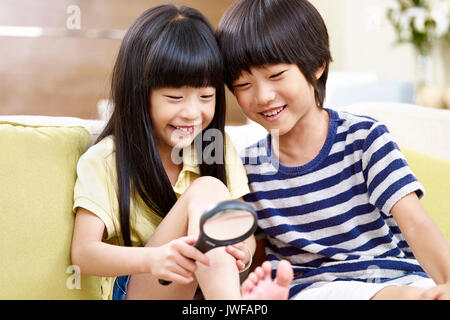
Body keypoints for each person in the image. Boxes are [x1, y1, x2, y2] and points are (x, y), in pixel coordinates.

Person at [216, 0, 450, 300]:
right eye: (243, 84)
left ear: (316, 65)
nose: (263, 96)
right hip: (311, 289)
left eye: (276, 76)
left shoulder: (364, 138)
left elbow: (416, 225)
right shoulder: (246, 168)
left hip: (393, 278)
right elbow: (260, 265)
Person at [71, 4, 293, 300]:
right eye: (175, 97)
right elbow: (83, 253)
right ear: (140, 93)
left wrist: (244, 251)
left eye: (205, 96)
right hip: (138, 287)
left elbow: (244, 233)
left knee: (215, 211)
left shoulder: (216, 146)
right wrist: (154, 259)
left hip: (201, 291)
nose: (192, 113)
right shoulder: (107, 159)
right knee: (208, 189)